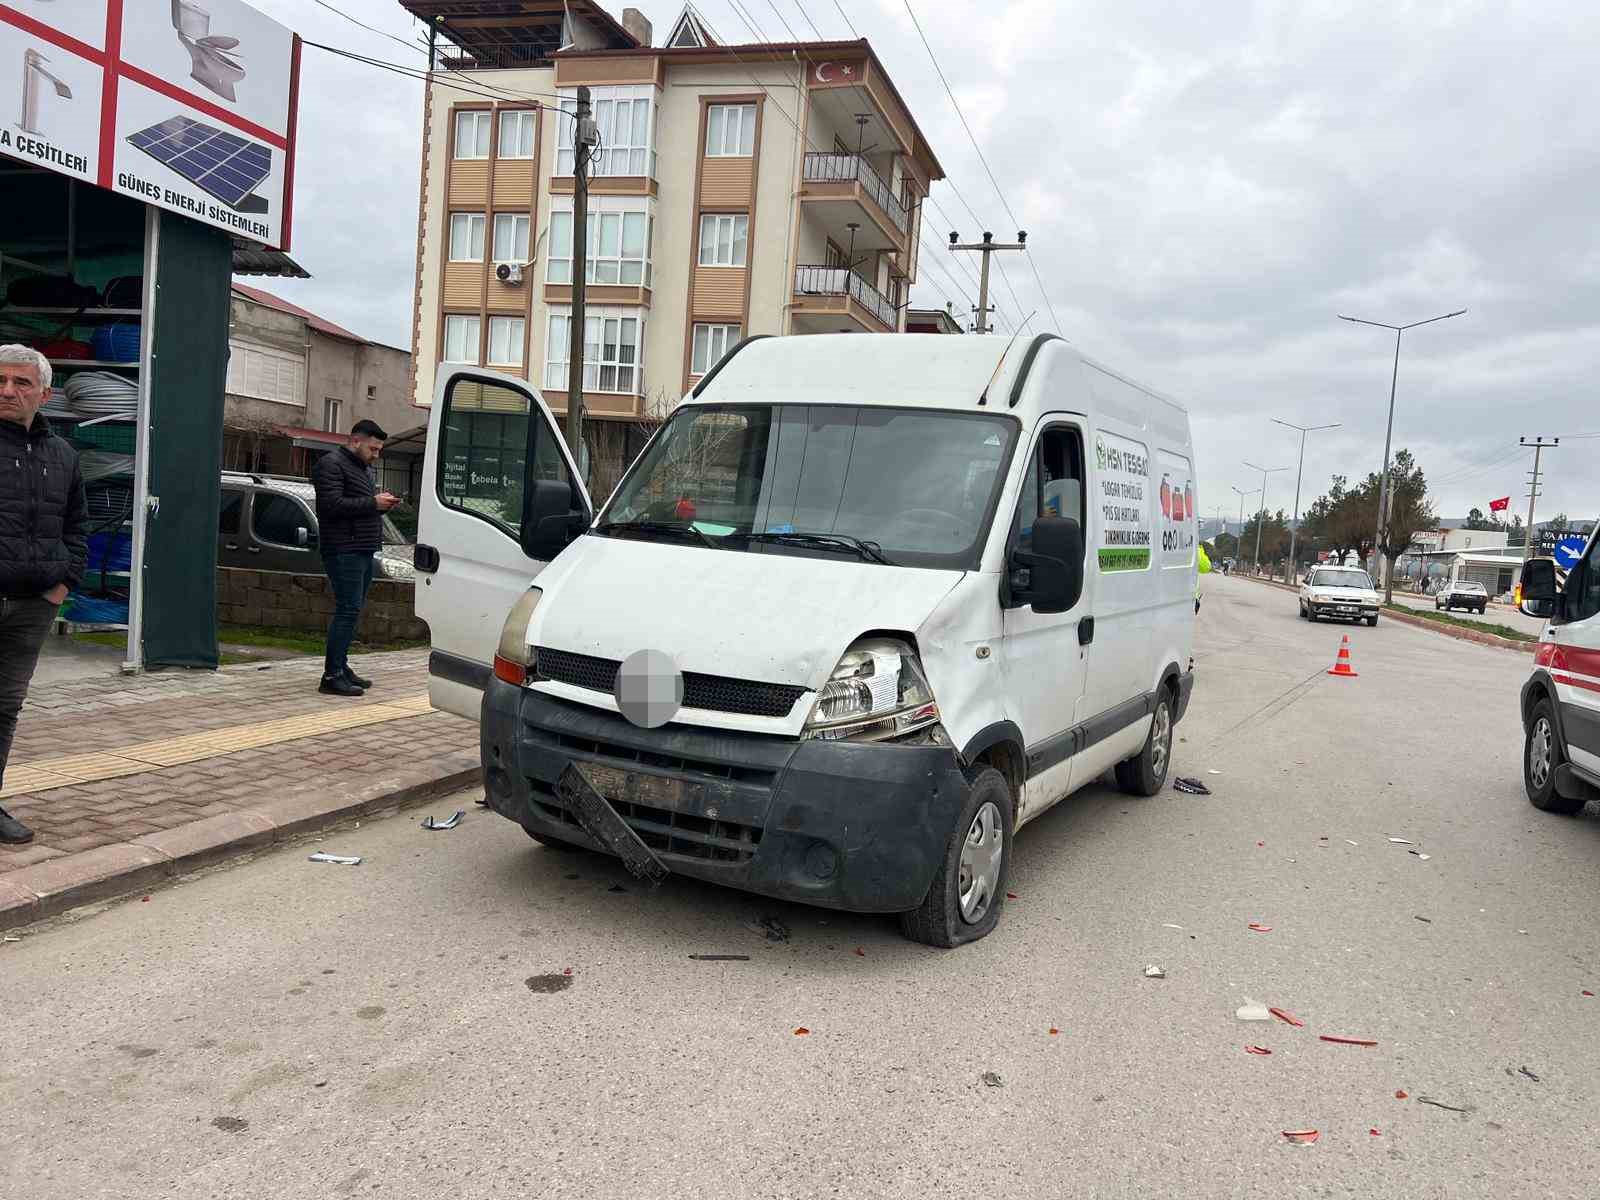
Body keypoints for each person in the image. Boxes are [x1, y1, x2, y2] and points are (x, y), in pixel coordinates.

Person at [0, 345, 86, 845]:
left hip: (32, 606)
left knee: (5, 707)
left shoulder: (63, 455)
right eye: (1, 381)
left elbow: (78, 526)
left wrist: (62, 584)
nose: (8, 391)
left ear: (45, 394)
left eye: (21, 383)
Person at [311, 419, 398, 697]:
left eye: (379, 450)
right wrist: (373, 503)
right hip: (342, 549)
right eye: (373, 449)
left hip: (361, 548)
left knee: (353, 609)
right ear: (355, 441)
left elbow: (357, 507)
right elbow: (331, 505)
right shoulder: (331, 464)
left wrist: (380, 506)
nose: (376, 455)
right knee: (347, 609)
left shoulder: (362, 468)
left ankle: (342, 666)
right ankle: (332, 675)